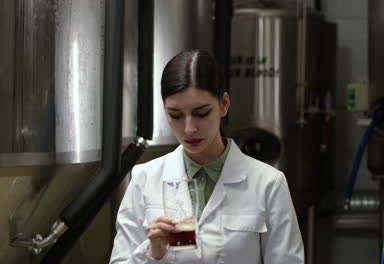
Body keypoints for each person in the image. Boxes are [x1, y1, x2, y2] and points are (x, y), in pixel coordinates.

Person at [109, 50, 304, 263]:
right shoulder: (145, 178)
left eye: (201, 113)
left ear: (224, 104)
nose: (189, 128)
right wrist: (152, 253)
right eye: (175, 115)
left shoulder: (268, 184)